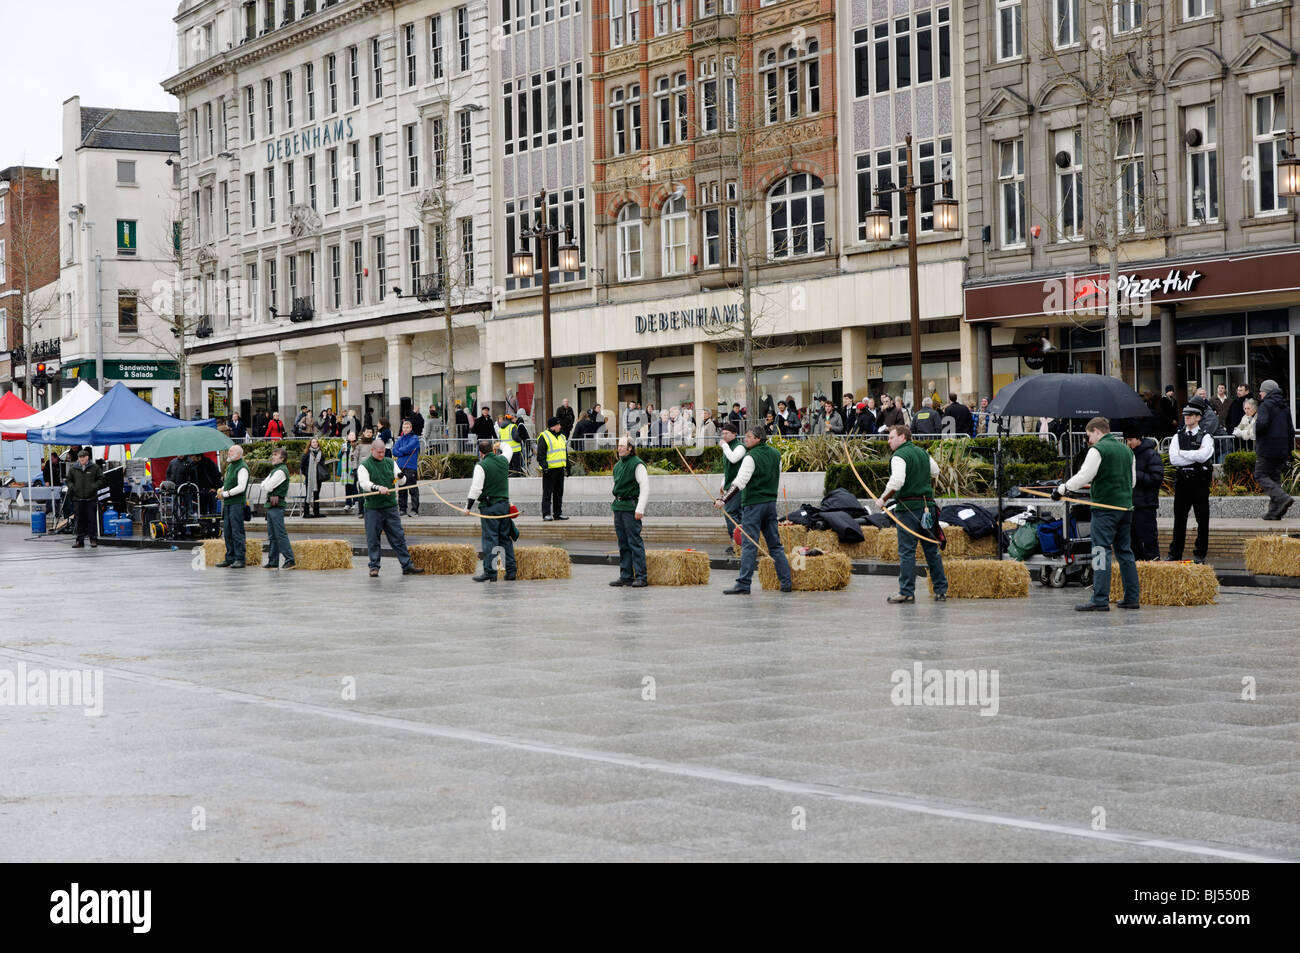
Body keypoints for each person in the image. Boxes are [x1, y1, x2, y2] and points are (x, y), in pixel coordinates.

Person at [1058, 418, 1139, 611]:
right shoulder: (1127, 450)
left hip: (1104, 509)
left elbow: (1084, 475)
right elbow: (1133, 482)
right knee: (1125, 552)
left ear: (1096, 431)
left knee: (1100, 551)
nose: (1088, 441)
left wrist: (1062, 489)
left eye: (1088, 436)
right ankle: (1132, 597)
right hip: (1125, 509)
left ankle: (1100, 598)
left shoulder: (1098, 450)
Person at [719, 427, 792, 595]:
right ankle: (786, 582)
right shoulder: (776, 454)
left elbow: (739, 483)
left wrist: (723, 500)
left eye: (749, 436)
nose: (746, 439)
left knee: (749, 545)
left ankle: (744, 583)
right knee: (775, 545)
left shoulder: (750, 457)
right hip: (770, 504)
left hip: (753, 505)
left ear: (759, 438)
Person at [880, 425, 947, 603]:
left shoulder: (899, 456)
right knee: (931, 550)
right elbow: (935, 471)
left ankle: (907, 591)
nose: (889, 441)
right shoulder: (922, 453)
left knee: (907, 552)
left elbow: (897, 481)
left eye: (891, 437)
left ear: (903, 437)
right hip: (927, 507)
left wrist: (883, 500)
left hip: (908, 509)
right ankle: (941, 590)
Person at [357, 438, 423, 577]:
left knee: (398, 537)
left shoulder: (390, 462)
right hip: (373, 507)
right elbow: (364, 483)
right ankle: (374, 566)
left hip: (390, 507)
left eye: (383, 452)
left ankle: (407, 565)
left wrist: (400, 477)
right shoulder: (364, 465)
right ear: (372, 450)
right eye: (379, 452)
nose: (382, 455)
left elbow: (402, 481)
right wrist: (377, 487)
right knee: (373, 538)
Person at [1165, 404, 1213, 563]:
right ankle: (1175, 554)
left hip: (1199, 481)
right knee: (1179, 520)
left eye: (1190, 415)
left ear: (1198, 417)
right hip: (1183, 481)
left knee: (1202, 520)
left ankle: (1200, 554)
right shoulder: (1177, 436)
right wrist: (1194, 455)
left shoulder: (1205, 436)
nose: (1186, 417)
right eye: (1185, 414)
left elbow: (1204, 456)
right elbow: (1174, 459)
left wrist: (1184, 453)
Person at [467, 439, 516, 582]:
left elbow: (476, 489)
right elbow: (509, 449)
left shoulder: (481, 466)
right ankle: (511, 571)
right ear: (493, 450)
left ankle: (490, 572)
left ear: (481, 453)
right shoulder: (503, 459)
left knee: (491, 540)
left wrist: (468, 507)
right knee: (505, 538)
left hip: (490, 507)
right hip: (504, 506)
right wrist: (500, 444)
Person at [610, 437, 649, 587]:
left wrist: (640, 508)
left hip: (631, 506)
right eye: (618, 445)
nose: (619, 448)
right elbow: (615, 487)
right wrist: (614, 508)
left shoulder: (637, 464)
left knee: (634, 542)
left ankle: (641, 576)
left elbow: (645, 487)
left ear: (630, 448)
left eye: (622, 446)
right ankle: (625, 575)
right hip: (619, 506)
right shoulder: (617, 465)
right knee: (623, 543)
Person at [1255, 379, 1296, 520]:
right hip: (1283, 449)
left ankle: (1282, 497)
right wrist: (1290, 451)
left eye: (1261, 391)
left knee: (1260, 474)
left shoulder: (1265, 405)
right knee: (1274, 478)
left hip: (1267, 448)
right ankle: (1274, 512)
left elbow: (1261, 425)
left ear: (1266, 391)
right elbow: (1291, 431)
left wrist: (1256, 431)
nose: (1259, 393)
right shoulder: (1285, 406)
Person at [1127, 431, 1164, 563]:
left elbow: (1156, 478)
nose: (1128, 443)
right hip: (1131, 505)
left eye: (1130, 439)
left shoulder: (1151, 455)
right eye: (1127, 440)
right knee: (1133, 543)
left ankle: (1154, 570)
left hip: (1146, 505)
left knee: (1149, 541)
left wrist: (1136, 475)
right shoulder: (1129, 455)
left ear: (1138, 439)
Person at [260, 448, 296, 570]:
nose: (272, 457)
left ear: (282, 458)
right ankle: (273, 561)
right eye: (273, 454)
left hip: (276, 505)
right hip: (271, 505)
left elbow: (268, 486)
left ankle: (290, 559)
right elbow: (263, 485)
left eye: (275, 455)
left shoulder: (280, 471)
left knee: (280, 534)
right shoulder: (275, 470)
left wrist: (266, 485)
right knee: (273, 535)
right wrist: (266, 485)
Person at [215, 445, 250, 568]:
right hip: (229, 503)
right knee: (228, 531)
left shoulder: (242, 467)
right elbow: (228, 483)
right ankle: (230, 557)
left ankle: (240, 558)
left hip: (236, 503)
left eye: (231, 451)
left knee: (237, 531)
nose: (228, 453)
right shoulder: (231, 466)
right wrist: (222, 490)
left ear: (238, 454)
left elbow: (241, 487)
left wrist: (226, 494)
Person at [65, 449, 103, 549]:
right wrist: (73, 487)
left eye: (83, 457)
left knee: (92, 520)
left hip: (91, 498)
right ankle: (79, 540)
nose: (81, 459)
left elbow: (101, 479)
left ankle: (93, 539)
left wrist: (94, 487)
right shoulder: (73, 468)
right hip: (77, 499)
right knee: (79, 520)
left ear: (87, 457)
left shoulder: (95, 467)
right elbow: (68, 480)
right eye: (80, 457)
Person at [718, 422, 746, 553]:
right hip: (730, 484)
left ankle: (736, 540)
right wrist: (723, 482)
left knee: (730, 512)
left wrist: (724, 447)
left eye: (726, 433)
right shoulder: (728, 447)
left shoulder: (739, 446)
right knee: (737, 513)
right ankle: (739, 542)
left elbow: (734, 459)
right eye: (722, 433)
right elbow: (728, 468)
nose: (723, 436)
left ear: (734, 434)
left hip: (738, 485)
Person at [538, 416, 569, 521]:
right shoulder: (544, 436)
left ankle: (557, 513)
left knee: (558, 493)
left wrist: (567, 467)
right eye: (558, 425)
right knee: (547, 493)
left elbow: (565, 453)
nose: (560, 426)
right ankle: (546, 514)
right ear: (553, 426)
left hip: (560, 469)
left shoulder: (562, 436)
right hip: (549, 470)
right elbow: (540, 455)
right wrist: (544, 467)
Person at [393, 420, 422, 516]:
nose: (405, 429)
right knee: (402, 488)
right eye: (404, 428)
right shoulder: (400, 439)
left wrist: (401, 451)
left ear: (411, 428)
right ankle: (402, 509)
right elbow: (394, 451)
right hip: (400, 467)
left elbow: (409, 448)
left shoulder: (415, 438)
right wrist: (404, 451)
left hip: (410, 466)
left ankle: (414, 510)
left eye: (407, 427)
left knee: (412, 489)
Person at [300, 437, 328, 518]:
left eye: (316, 442)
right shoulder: (306, 454)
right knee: (308, 494)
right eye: (313, 442)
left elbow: (323, 465)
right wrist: (307, 475)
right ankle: (306, 513)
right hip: (310, 478)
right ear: (310, 444)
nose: (315, 443)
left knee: (316, 495)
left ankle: (316, 512)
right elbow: (302, 466)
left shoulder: (321, 454)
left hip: (318, 478)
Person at [340, 431, 362, 516]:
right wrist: (341, 451)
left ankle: (355, 502)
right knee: (347, 486)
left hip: (353, 468)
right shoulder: (345, 444)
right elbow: (339, 456)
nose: (351, 437)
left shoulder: (357, 445)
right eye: (350, 435)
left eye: (353, 435)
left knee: (353, 485)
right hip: (345, 469)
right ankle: (347, 503)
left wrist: (355, 468)